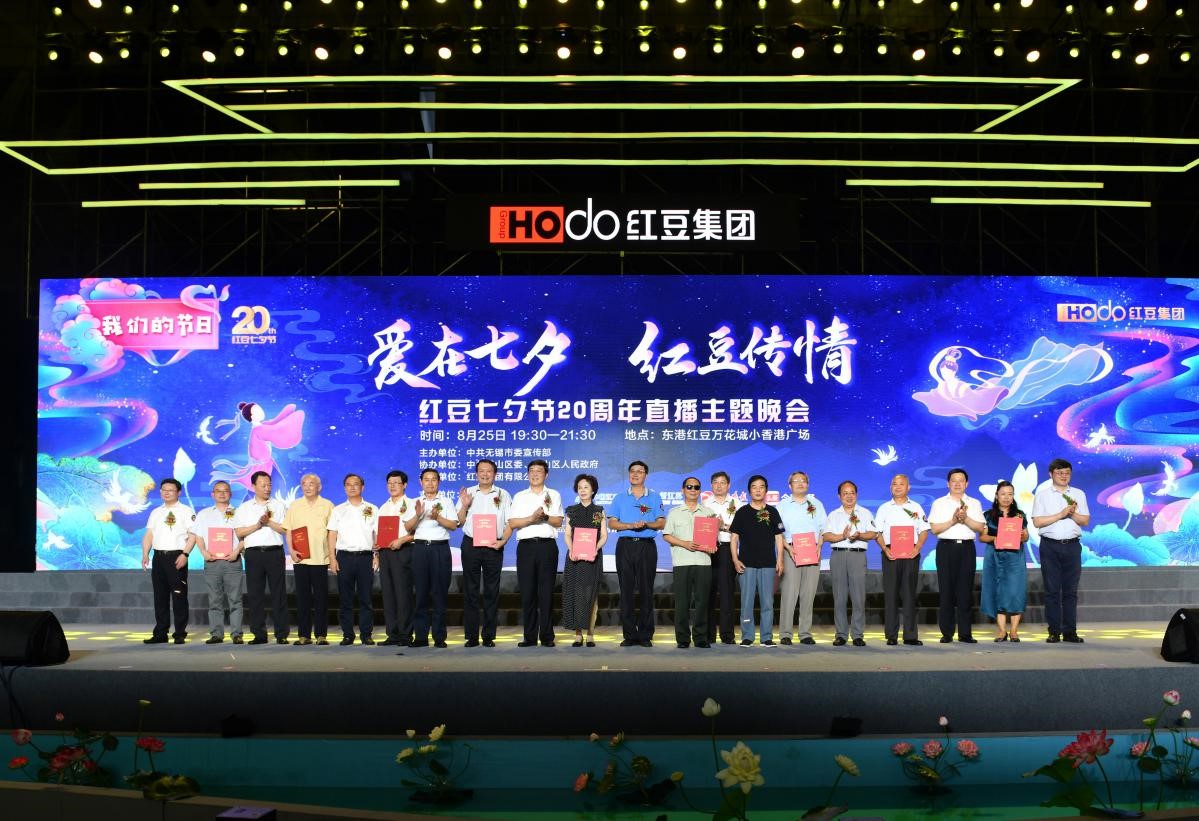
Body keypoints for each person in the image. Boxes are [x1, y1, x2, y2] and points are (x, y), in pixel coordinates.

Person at [607, 461, 666, 648]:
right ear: (628, 474)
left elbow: (661, 523)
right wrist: (630, 525)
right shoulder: (620, 498)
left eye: (639, 471)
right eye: (632, 471)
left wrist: (646, 524)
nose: (635, 474)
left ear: (645, 475)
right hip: (625, 546)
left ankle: (646, 635)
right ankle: (630, 634)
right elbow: (612, 523)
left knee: (646, 590)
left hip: (646, 546)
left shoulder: (654, 497)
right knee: (626, 591)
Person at [456, 459, 512, 648]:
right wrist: (465, 505)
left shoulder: (503, 495)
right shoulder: (468, 493)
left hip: (494, 545)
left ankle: (488, 635)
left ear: (495, 474)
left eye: (489, 471)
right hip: (471, 544)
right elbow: (459, 522)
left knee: (491, 591)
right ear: (476, 474)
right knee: (470, 590)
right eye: (481, 471)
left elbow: (510, 523)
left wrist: (503, 541)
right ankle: (471, 636)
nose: (485, 474)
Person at [1032, 458, 1090, 644]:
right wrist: (1061, 514)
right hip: (1050, 546)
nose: (1064, 476)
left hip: (1072, 546)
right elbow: (1037, 522)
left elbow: (1085, 521)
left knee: (1070, 591)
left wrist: (1072, 513)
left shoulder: (1078, 494)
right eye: (1059, 473)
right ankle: (1054, 632)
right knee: (1052, 591)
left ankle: (1070, 632)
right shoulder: (1042, 495)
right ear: (1051, 474)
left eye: (1067, 473)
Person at [508, 459, 564, 647]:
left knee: (546, 592)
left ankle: (547, 636)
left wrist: (545, 516)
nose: (535, 474)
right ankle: (530, 636)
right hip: (526, 547)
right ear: (527, 474)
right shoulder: (519, 496)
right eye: (531, 470)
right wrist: (532, 518)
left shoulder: (553, 494)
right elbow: (513, 523)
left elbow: (558, 522)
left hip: (547, 546)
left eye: (539, 471)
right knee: (527, 592)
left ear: (546, 474)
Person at [928, 468, 985, 644]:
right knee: (946, 591)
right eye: (954, 480)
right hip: (946, 548)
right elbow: (934, 529)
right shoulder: (939, 503)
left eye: (961, 480)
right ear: (948, 483)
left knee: (965, 592)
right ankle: (947, 633)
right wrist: (953, 520)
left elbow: (980, 528)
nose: (958, 484)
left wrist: (965, 518)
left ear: (967, 484)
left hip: (967, 549)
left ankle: (965, 633)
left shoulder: (974, 503)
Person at [232, 471, 289, 644]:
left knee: (278, 594)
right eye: (263, 485)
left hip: (274, 552)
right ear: (253, 486)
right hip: (253, 554)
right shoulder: (244, 508)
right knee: (255, 594)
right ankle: (259, 634)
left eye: (269, 484)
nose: (267, 488)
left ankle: (281, 634)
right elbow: (239, 532)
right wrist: (258, 525)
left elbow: (285, 529)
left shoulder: (279, 506)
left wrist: (269, 522)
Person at [403, 469, 458, 648]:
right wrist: (418, 515)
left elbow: (453, 525)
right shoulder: (414, 502)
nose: (430, 483)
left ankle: (439, 637)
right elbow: (408, 527)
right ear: (421, 482)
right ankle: (420, 636)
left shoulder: (446, 501)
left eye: (434, 479)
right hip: (420, 549)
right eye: (426, 480)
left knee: (439, 593)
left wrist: (438, 517)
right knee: (420, 593)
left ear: (439, 482)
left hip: (440, 549)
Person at [729, 475, 785, 646]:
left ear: (766, 490)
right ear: (749, 491)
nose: (758, 490)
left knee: (767, 602)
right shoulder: (742, 512)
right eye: (754, 487)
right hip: (746, 564)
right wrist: (735, 559)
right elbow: (734, 538)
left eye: (761, 487)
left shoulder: (773, 512)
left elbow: (779, 537)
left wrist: (780, 559)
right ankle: (747, 636)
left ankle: (766, 637)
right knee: (746, 602)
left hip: (768, 563)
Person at [874, 474, 930, 647]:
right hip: (890, 553)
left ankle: (910, 635)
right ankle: (891, 635)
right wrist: (885, 549)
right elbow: (877, 532)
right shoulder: (884, 508)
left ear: (908, 487)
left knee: (909, 595)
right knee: (890, 595)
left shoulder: (916, 507)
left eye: (901, 484)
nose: (897, 487)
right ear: (891, 487)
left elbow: (924, 530)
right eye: (894, 484)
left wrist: (917, 547)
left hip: (911, 554)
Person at [822, 481, 878, 647]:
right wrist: (842, 536)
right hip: (838, 555)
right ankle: (841, 634)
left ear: (856, 495)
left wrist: (859, 535)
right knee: (839, 597)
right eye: (845, 493)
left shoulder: (865, 513)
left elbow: (873, 533)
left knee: (858, 597)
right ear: (839, 496)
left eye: (852, 492)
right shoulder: (833, 515)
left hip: (857, 556)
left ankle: (857, 635)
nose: (849, 496)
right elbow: (826, 536)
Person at [662, 476, 715, 649]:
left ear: (700, 491)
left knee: (702, 602)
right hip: (682, 562)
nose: (693, 490)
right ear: (683, 490)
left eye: (696, 487)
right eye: (689, 487)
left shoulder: (708, 513)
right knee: (682, 602)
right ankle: (683, 638)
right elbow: (667, 535)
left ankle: (700, 638)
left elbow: (712, 538)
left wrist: (713, 544)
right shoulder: (674, 512)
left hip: (703, 562)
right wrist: (684, 543)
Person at [188, 480, 244, 645]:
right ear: (212, 494)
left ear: (230, 494)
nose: (222, 493)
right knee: (214, 600)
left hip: (232, 561)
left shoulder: (239, 513)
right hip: (212, 562)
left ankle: (236, 634)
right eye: (218, 491)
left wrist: (236, 551)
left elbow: (245, 536)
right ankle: (216, 634)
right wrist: (203, 552)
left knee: (235, 600)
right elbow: (198, 536)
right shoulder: (204, 514)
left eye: (225, 490)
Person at [141, 478, 195, 644]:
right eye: (164, 490)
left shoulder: (186, 511)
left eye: (170, 490)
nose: (166, 493)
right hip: (158, 557)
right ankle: (160, 633)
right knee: (160, 597)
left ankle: (179, 633)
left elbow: (193, 535)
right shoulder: (156, 512)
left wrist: (185, 554)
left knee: (179, 596)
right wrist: (145, 554)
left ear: (178, 492)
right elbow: (149, 535)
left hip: (176, 556)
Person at [283, 473, 335, 646]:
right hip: (301, 559)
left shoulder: (328, 505)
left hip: (320, 559)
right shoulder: (295, 506)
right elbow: (289, 531)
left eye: (311, 483)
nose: (307, 487)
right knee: (302, 599)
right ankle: (304, 635)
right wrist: (291, 550)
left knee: (321, 599)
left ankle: (321, 635)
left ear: (319, 487)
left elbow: (332, 532)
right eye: (304, 484)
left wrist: (332, 556)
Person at [776, 471, 826, 647]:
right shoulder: (782, 506)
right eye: (796, 481)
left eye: (803, 481)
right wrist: (788, 548)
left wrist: (819, 546)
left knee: (808, 594)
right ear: (789, 486)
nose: (800, 483)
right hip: (791, 551)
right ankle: (785, 633)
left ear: (808, 485)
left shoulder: (816, 504)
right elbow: (777, 532)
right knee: (789, 594)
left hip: (812, 552)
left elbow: (824, 529)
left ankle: (805, 633)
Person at [327, 474, 378, 646]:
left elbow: (377, 535)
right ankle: (348, 634)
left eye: (356, 484)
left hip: (365, 557)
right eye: (348, 484)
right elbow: (332, 534)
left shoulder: (372, 508)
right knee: (345, 599)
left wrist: (377, 555)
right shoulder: (338, 510)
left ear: (362, 487)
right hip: (344, 557)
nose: (352, 487)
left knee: (366, 599)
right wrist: (332, 558)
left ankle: (366, 634)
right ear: (344, 488)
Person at [980, 480, 1029, 642]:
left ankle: (1014, 631)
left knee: (1015, 591)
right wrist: (996, 538)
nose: (1007, 497)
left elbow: (1026, 536)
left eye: (1010, 494)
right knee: (997, 590)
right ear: (996, 496)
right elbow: (982, 537)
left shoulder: (1020, 515)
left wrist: (1023, 535)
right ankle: (1001, 631)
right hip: (994, 555)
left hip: (1015, 556)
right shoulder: (988, 515)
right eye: (1003, 494)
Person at [562, 473, 607, 648]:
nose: (582, 490)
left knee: (591, 596)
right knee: (576, 595)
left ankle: (590, 634)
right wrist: (572, 549)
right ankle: (578, 634)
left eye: (586, 487)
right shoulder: (571, 511)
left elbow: (603, 535)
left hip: (593, 558)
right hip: (575, 558)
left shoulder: (599, 511)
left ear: (593, 490)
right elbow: (567, 534)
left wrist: (595, 549)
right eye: (580, 487)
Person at [378, 470, 416, 647]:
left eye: (396, 483)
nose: (392, 486)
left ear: (405, 485)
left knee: (403, 594)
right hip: (385, 553)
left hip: (403, 551)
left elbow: (418, 532)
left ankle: (405, 634)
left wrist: (402, 540)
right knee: (388, 594)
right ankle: (392, 634)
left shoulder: (412, 504)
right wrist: (376, 545)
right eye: (389, 483)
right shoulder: (383, 507)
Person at [704, 471, 741, 645]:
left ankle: (727, 635)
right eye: (715, 482)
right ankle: (708, 634)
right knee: (707, 593)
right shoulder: (704, 504)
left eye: (722, 482)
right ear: (711, 485)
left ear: (729, 485)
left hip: (727, 550)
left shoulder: (738, 504)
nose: (719, 486)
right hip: (707, 551)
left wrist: (723, 526)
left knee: (727, 593)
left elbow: (742, 529)